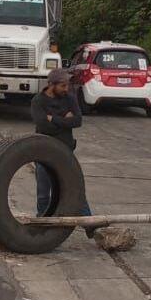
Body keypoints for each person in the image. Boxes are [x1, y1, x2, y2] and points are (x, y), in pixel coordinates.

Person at [30, 68, 94, 237]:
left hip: (65, 151)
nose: (67, 89)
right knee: (44, 193)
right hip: (43, 152)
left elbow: (78, 121)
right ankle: (42, 225)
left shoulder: (70, 98)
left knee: (74, 188)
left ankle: (89, 223)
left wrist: (54, 118)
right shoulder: (38, 101)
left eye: (67, 85)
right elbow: (43, 126)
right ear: (51, 84)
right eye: (63, 86)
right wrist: (65, 119)